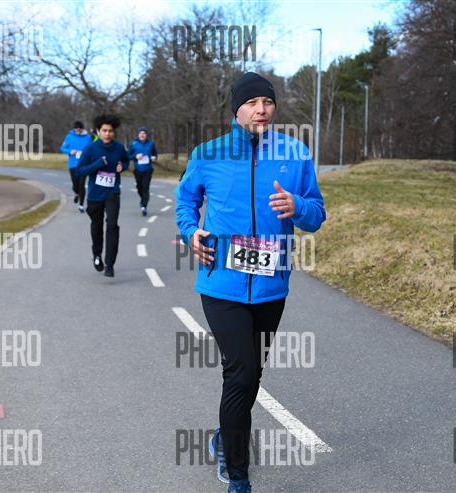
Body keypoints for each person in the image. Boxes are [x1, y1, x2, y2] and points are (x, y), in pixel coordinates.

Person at [175, 72, 326, 493]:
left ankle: (225, 437)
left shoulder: (294, 154)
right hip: (221, 283)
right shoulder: (209, 154)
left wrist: (297, 206)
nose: (262, 109)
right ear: (236, 109)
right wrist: (191, 231)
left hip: (270, 287)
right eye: (252, 102)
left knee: (251, 374)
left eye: (268, 101)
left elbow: (317, 214)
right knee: (240, 371)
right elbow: (186, 200)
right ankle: (238, 475)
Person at [76, 114, 130, 278]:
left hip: (112, 192)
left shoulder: (119, 148)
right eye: (104, 130)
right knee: (97, 226)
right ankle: (97, 254)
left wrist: (122, 167)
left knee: (112, 225)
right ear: (98, 131)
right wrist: (98, 164)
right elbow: (80, 170)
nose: (107, 134)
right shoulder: (91, 149)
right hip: (95, 195)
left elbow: (126, 161)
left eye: (110, 131)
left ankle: (110, 264)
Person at [60, 121, 94, 213]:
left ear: (82, 129)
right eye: (76, 129)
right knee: (75, 184)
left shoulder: (88, 137)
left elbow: (92, 148)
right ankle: (76, 193)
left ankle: (81, 205)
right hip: (73, 164)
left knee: (82, 184)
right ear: (74, 129)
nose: (78, 130)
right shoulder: (69, 136)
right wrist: (70, 151)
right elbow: (62, 148)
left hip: (84, 164)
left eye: (79, 129)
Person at [127, 126, 157, 216]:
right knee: (139, 187)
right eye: (140, 133)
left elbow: (155, 154)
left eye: (144, 133)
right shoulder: (133, 144)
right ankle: (143, 200)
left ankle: (144, 205)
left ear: (146, 135)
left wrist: (154, 157)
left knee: (145, 187)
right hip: (137, 169)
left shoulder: (151, 144)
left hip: (148, 169)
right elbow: (128, 156)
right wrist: (135, 157)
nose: (142, 135)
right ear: (138, 134)